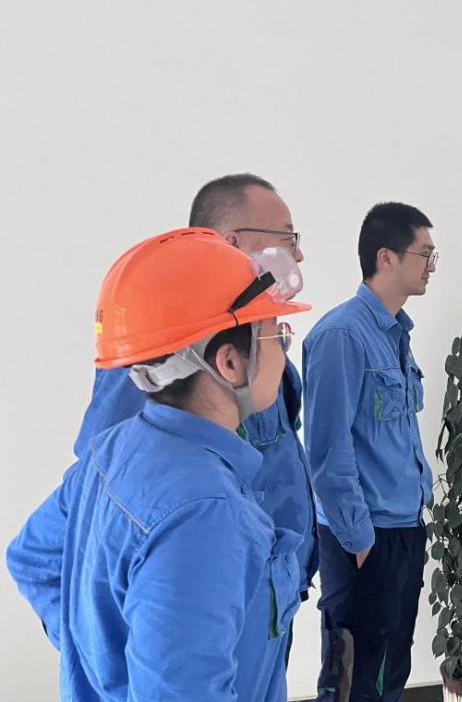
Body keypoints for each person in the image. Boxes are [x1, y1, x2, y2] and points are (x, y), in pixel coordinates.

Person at [7, 227, 310, 702]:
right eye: (276, 334)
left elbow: (31, 558)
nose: (283, 349)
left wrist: (112, 672)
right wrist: (136, 688)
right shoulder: (205, 512)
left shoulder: (115, 450)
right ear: (230, 362)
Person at [72, 173, 318, 611]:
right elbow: (99, 491)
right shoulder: (164, 349)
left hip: (269, 595)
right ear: (233, 242)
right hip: (216, 599)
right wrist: (103, 641)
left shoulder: (259, 345)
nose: (297, 253)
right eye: (287, 237)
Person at [304, 202, 437, 702]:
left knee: (389, 670)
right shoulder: (341, 335)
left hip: (403, 528)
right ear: (386, 257)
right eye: (424, 254)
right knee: (351, 681)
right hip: (363, 538)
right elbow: (326, 452)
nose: (431, 266)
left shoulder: (395, 334)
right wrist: (359, 540)